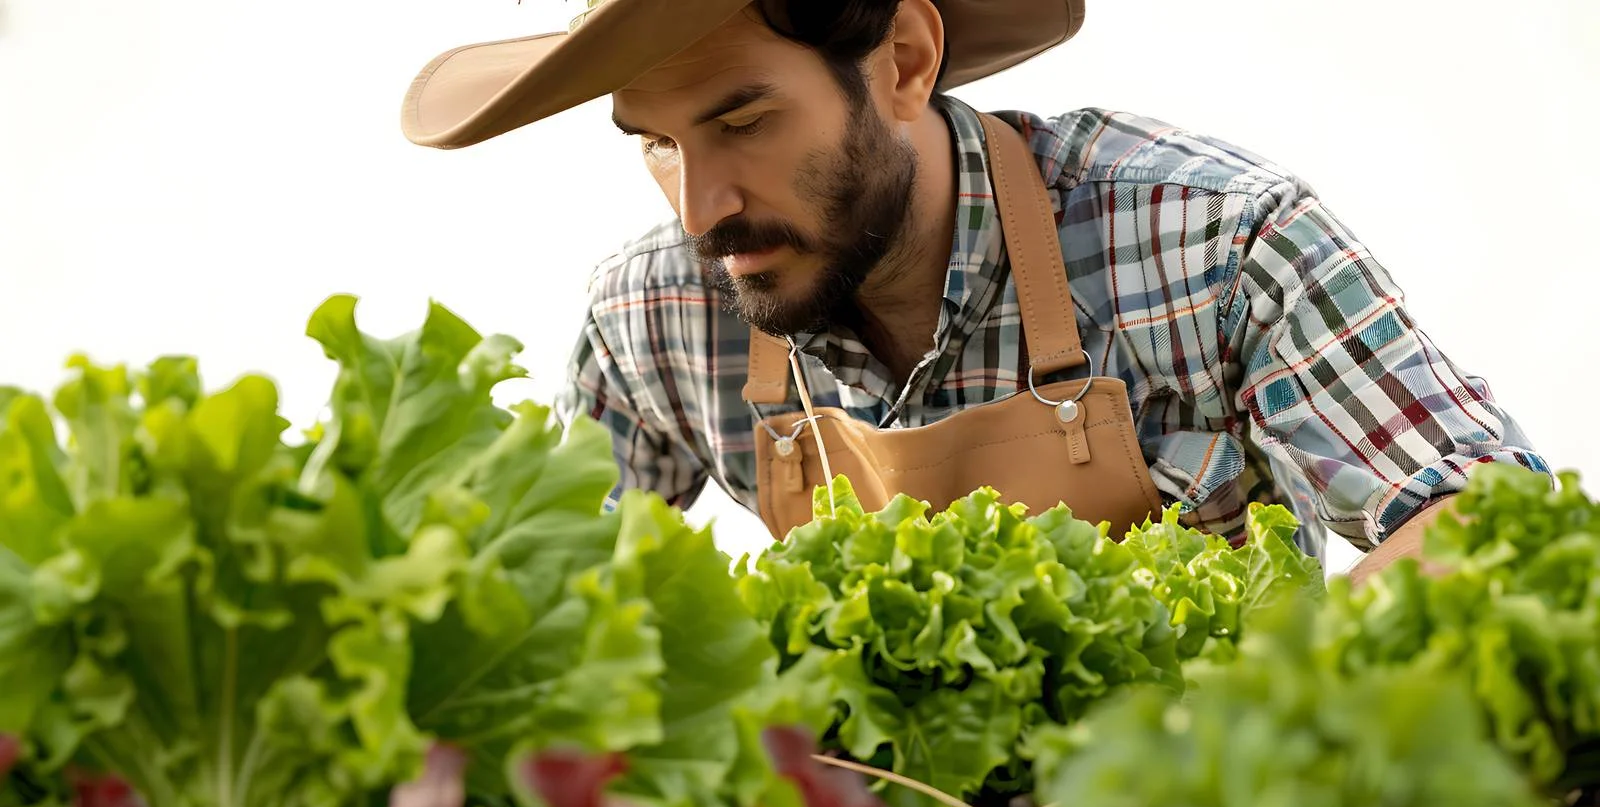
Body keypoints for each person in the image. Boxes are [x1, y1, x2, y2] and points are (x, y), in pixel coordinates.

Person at [399, 0, 1548, 583]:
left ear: (902, 61)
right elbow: (533, 603)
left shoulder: (1210, 235)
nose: (698, 208)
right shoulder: (654, 315)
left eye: (741, 120)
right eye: (653, 142)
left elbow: (1487, 526)